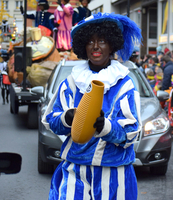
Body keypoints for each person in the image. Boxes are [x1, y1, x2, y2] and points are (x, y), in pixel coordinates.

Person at [42, 12, 142, 199]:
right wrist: (67, 118)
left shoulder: (124, 83)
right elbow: (51, 120)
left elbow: (132, 131)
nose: (96, 46)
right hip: (75, 170)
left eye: (102, 40)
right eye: (90, 41)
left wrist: (106, 127)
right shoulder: (72, 82)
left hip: (113, 173)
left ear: (111, 44)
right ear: (83, 46)